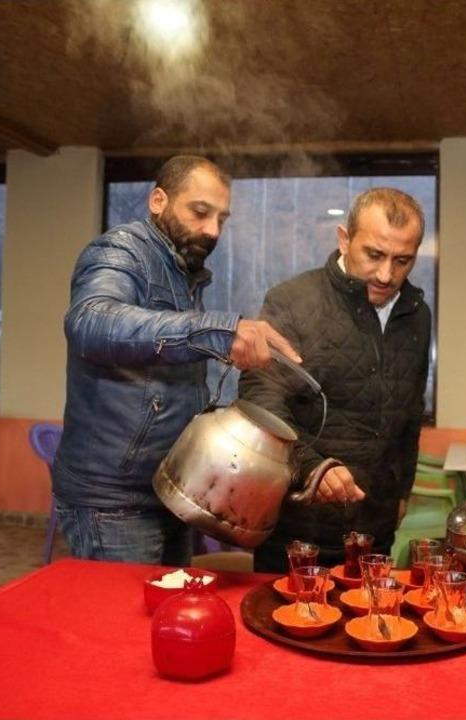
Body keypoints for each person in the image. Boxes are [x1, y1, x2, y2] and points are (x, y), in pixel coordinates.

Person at [52, 155, 301, 568]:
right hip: (114, 500)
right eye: (200, 212)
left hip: (170, 489)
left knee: (163, 616)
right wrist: (219, 331)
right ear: (158, 201)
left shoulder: (184, 274)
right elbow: (90, 320)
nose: (212, 230)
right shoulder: (121, 250)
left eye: (222, 218)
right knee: (121, 627)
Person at [239, 187, 431, 572]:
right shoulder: (292, 301)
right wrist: (313, 467)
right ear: (344, 239)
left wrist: (401, 491)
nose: (386, 274)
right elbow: (261, 399)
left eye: (402, 260)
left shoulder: (417, 315)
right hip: (295, 528)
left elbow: (410, 413)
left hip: (374, 531)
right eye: (374, 255)